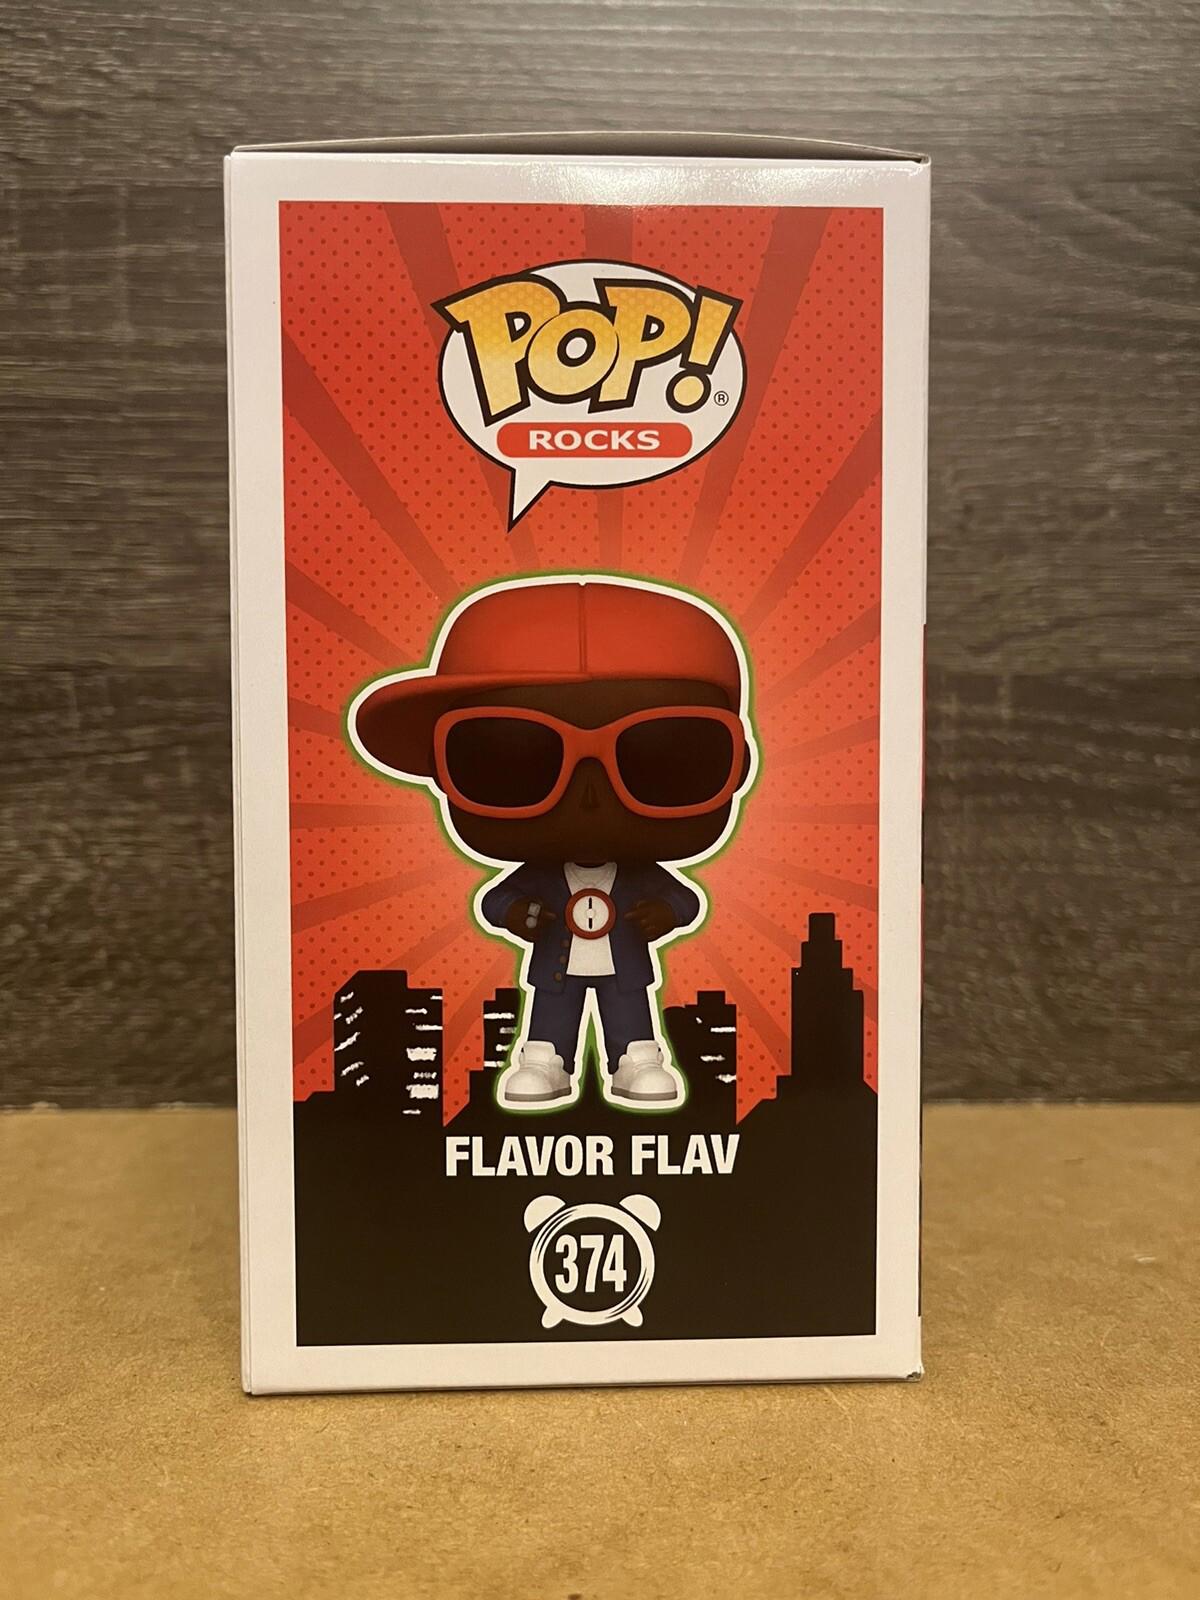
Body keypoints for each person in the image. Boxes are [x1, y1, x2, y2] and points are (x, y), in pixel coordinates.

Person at [349, 576, 755, 1110]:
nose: (588, 796)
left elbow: (685, 899)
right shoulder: (539, 877)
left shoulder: (639, 878)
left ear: (736, 767)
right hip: (556, 970)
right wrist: (516, 911)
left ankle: (636, 1058)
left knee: (629, 1016)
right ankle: (544, 1059)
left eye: (662, 758)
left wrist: (666, 911)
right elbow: (495, 900)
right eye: (511, 759)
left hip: (624, 971)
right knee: (550, 1019)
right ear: (442, 773)